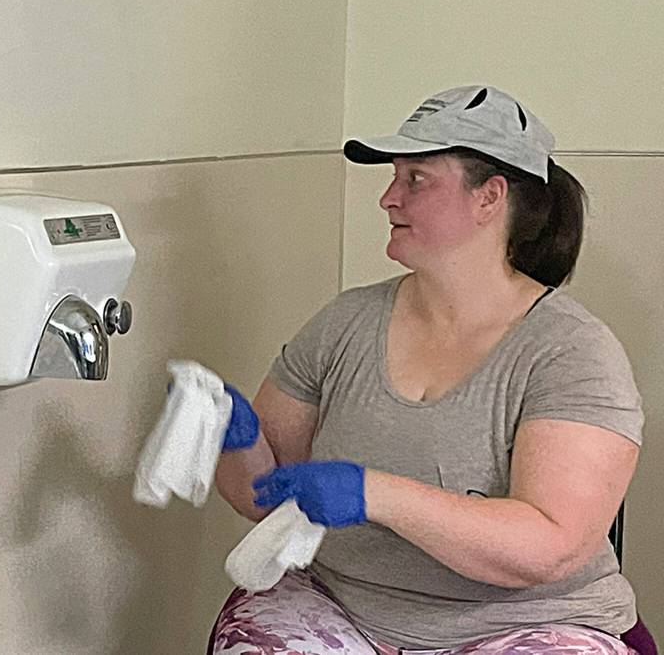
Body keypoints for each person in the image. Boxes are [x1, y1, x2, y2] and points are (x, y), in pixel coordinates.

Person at [209, 85, 645, 653]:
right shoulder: (345, 322)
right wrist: (234, 437)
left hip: (525, 625)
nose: (388, 198)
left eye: (416, 179)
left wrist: (374, 494)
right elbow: (263, 499)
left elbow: (549, 547)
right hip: (343, 607)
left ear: (490, 197)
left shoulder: (572, 352)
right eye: (394, 176)